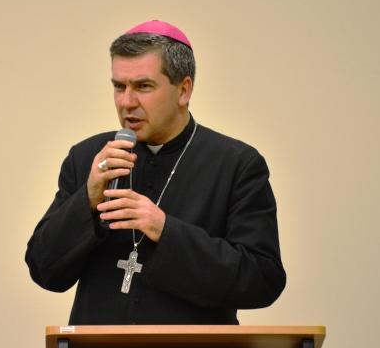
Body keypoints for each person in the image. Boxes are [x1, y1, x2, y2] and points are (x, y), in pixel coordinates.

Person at [25, 20, 286, 325]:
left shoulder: (236, 164)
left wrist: (165, 230)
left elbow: (262, 279)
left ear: (183, 90)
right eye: (119, 86)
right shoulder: (87, 159)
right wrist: (88, 199)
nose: (126, 102)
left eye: (143, 86)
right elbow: (43, 270)